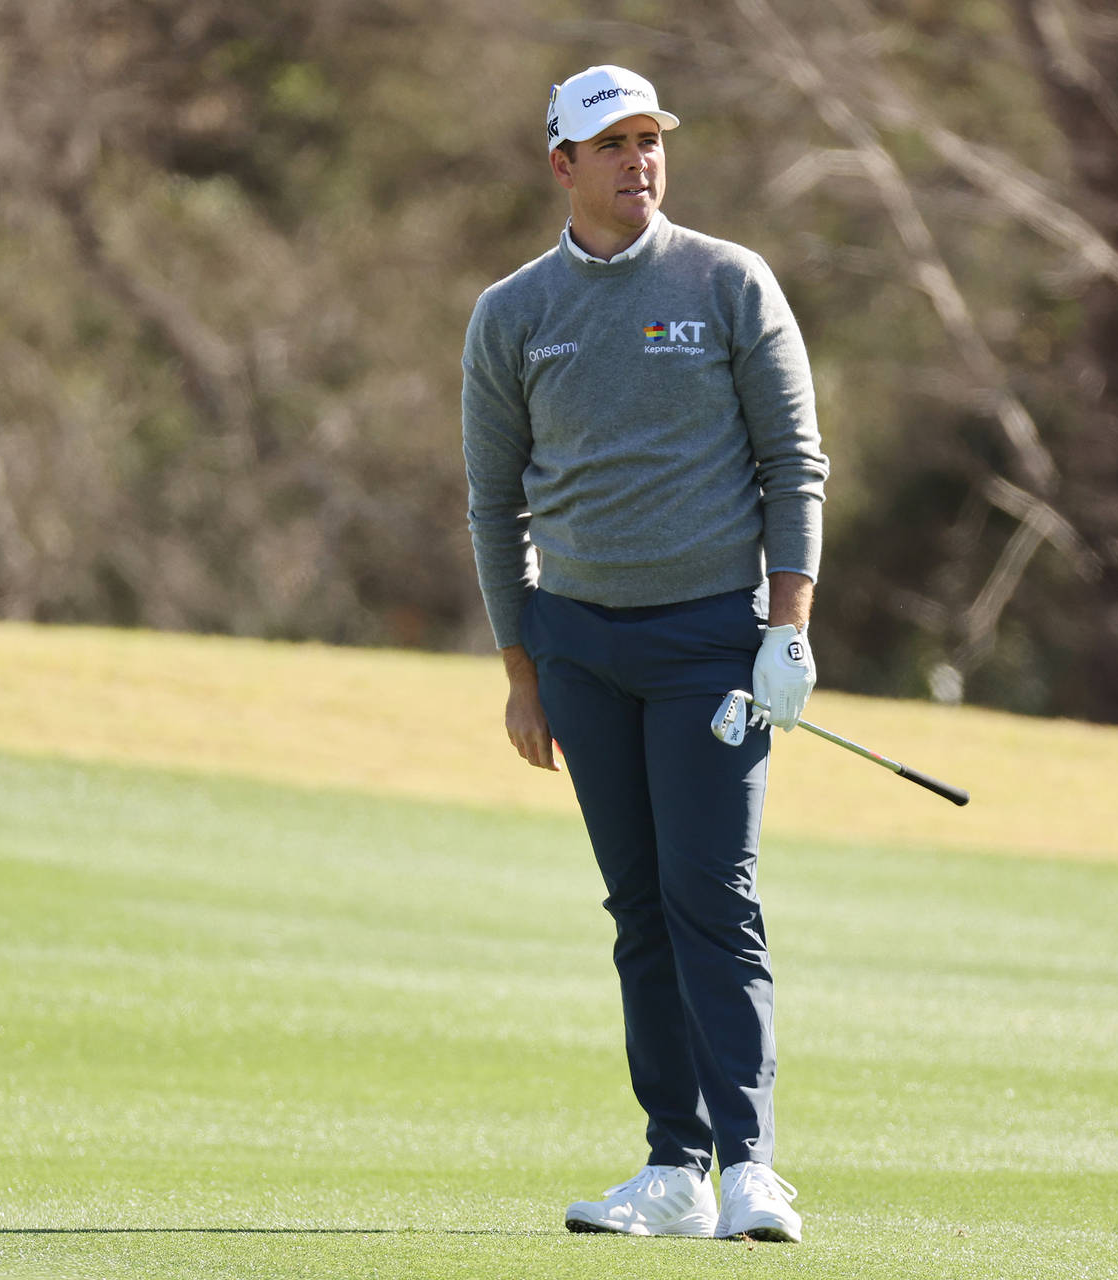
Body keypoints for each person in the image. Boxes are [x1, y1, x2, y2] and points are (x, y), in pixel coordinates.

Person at [461, 64, 829, 1243]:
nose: (639, 161)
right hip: (578, 646)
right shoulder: (512, 313)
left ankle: (751, 1167)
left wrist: (790, 627)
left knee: (711, 895)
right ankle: (673, 1163)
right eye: (611, 144)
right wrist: (521, 670)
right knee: (638, 907)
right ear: (561, 165)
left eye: (649, 140)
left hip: (711, 642)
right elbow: (492, 503)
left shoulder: (728, 281)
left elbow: (794, 464)